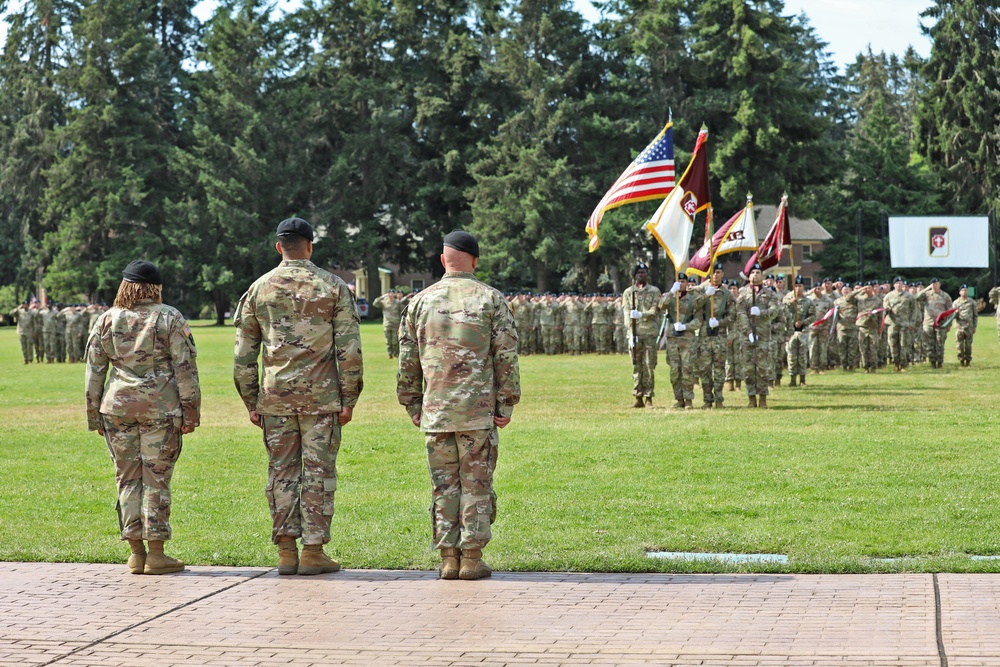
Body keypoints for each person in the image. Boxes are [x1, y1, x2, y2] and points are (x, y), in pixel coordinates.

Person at [234, 217, 364, 576]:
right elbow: (349, 350)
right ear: (310, 245)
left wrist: (251, 400)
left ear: (279, 247)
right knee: (318, 473)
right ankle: (313, 550)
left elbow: (244, 355)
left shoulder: (259, 289)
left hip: (276, 398)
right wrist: (349, 397)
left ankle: (286, 551)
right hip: (321, 399)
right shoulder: (333, 286)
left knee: (281, 474)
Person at [397, 230, 520, 581]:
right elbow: (506, 357)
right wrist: (505, 403)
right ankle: (471, 558)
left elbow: (407, 361)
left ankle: (449, 558)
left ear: (442, 261)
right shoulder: (491, 300)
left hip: (436, 411)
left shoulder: (420, 302)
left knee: (444, 486)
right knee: (476, 484)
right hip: (477, 412)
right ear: (475, 260)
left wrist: (412, 404)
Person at [84, 260, 200, 575]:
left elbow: (94, 372)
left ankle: (136, 553)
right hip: (160, 410)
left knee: (127, 478)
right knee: (157, 479)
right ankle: (157, 554)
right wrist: (191, 412)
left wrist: (94, 416)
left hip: (117, 409)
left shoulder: (107, 319)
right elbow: (185, 369)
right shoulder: (170, 318)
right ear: (155, 287)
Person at [659, 273, 704, 409]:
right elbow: (661, 306)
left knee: (687, 369)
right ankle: (679, 399)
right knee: (674, 370)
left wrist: (686, 326)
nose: (681, 284)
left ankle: (688, 399)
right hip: (672, 338)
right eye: (679, 281)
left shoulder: (693, 299)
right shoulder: (670, 297)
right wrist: (672, 292)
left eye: (683, 281)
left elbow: (698, 320)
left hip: (687, 339)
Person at [736, 264, 778, 408]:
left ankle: (763, 398)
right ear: (749, 276)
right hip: (747, 336)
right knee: (748, 368)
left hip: (763, 335)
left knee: (762, 367)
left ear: (762, 275)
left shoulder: (769, 293)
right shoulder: (743, 293)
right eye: (752, 272)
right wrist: (748, 332)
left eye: (758, 272)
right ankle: (751, 398)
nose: (755, 275)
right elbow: (740, 313)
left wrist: (761, 312)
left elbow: (775, 310)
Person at [622, 263, 662, 407]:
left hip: (649, 333)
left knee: (649, 365)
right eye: (638, 272)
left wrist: (641, 314)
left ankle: (648, 397)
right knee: (636, 365)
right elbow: (626, 312)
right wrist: (630, 330)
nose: (641, 274)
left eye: (643, 272)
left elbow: (654, 310)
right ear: (634, 275)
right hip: (635, 334)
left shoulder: (654, 291)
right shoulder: (628, 292)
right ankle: (638, 396)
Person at [691, 264, 730, 408]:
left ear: (722, 274)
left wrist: (720, 322)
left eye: (718, 272)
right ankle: (707, 400)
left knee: (719, 368)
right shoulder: (701, 289)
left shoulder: (727, 293)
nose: (715, 275)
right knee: (705, 369)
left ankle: (719, 399)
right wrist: (706, 294)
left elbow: (733, 315)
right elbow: (693, 305)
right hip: (704, 336)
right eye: (713, 272)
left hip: (719, 336)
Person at [783, 276, 815, 386]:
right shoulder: (787, 298)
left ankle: (802, 379)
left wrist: (803, 322)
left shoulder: (808, 301)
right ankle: (792, 379)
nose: (798, 288)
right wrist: (791, 303)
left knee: (802, 356)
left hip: (803, 331)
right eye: (796, 286)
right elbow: (782, 312)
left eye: (800, 286)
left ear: (803, 287)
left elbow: (812, 316)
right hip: (790, 330)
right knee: (791, 355)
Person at [915, 278, 953, 369]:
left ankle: (939, 363)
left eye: (936, 284)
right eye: (933, 284)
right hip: (928, 323)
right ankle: (932, 362)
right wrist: (927, 288)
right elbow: (916, 297)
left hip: (941, 324)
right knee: (929, 345)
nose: (935, 286)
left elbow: (950, 311)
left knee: (940, 344)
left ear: (939, 284)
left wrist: (949, 324)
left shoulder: (945, 296)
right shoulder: (926, 295)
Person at [883, 277, 916, 372]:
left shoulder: (909, 296)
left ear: (903, 285)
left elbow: (914, 311)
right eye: (897, 283)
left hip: (904, 324)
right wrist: (887, 308)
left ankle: (904, 364)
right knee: (893, 345)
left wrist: (912, 322)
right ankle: (896, 364)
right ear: (894, 285)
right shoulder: (888, 296)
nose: (898, 285)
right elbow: (884, 308)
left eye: (900, 283)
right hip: (892, 324)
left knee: (904, 345)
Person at [371, 290, 404, 358]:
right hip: (387, 323)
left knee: (395, 340)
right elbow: (375, 303)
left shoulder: (397, 302)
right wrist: (382, 297)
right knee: (388, 340)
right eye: (389, 293)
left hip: (395, 323)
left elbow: (402, 311)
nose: (391, 295)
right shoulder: (384, 302)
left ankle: (396, 353)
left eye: (392, 293)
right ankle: (389, 353)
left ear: (394, 294)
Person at [953, 284, 978, 366]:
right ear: (960, 292)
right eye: (962, 290)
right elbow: (952, 316)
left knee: (968, 346)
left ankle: (968, 361)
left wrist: (974, 326)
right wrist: (955, 313)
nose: (964, 292)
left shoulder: (972, 302)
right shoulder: (956, 302)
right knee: (959, 346)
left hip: (969, 327)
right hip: (959, 327)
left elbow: (975, 315)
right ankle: (961, 361)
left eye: (966, 290)